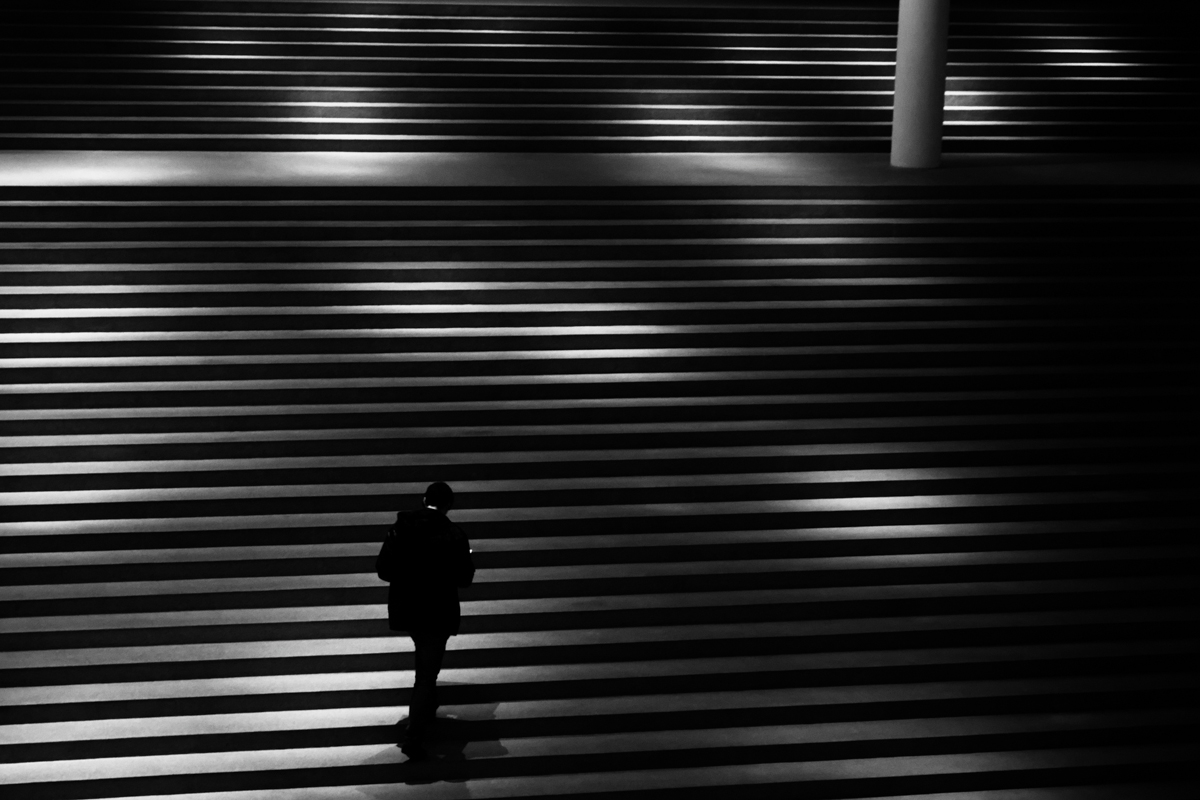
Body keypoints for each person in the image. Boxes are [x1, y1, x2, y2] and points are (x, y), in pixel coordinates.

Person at [376, 481, 475, 761]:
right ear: (449, 505)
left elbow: (383, 569)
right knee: (427, 673)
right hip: (436, 610)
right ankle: (414, 735)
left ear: (423, 499)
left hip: (407, 608)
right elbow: (465, 578)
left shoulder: (400, 529)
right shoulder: (454, 534)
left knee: (426, 663)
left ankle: (427, 710)